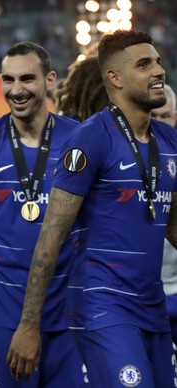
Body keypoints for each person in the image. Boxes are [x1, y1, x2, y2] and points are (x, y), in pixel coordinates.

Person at [7, 30, 177, 387]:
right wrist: (28, 325)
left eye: (158, 62)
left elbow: (174, 228)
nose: (159, 71)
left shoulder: (170, 141)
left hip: (153, 306)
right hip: (103, 308)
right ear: (114, 78)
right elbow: (51, 235)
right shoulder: (90, 138)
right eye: (144, 64)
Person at [0, 42, 84, 387]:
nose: (16, 90)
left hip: (69, 315)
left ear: (50, 80)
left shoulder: (80, 141)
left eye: (27, 79)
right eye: (8, 80)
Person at [152, 84, 177, 349]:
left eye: (165, 116)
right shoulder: (123, 162)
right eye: (154, 116)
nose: (159, 123)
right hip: (143, 296)